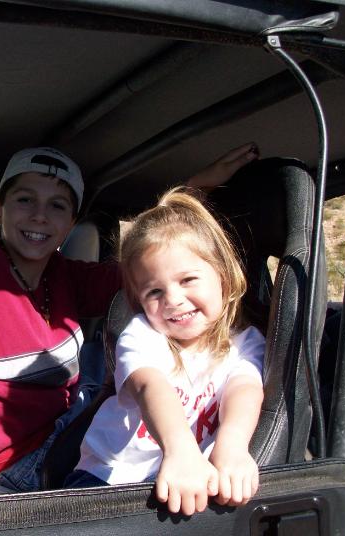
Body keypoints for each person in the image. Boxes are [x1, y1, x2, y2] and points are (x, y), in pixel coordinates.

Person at [0, 144, 259, 499]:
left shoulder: (63, 277)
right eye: (25, 199)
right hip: (16, 469)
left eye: (57, 206)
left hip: (64, 435)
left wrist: (192, 192)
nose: (39, 216)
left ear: (71, 222)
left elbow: (153, 269)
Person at [66, 188, 265, 517]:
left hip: (180, 478)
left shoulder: (245, 344)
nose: (173, 300)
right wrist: (181, 449)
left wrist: (232, 446)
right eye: (155, 291)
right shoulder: (142, 335)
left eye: (187, 280)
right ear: (139, 302)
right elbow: (150, 385)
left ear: (223, 277)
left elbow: (245, 388)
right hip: (108, 476)